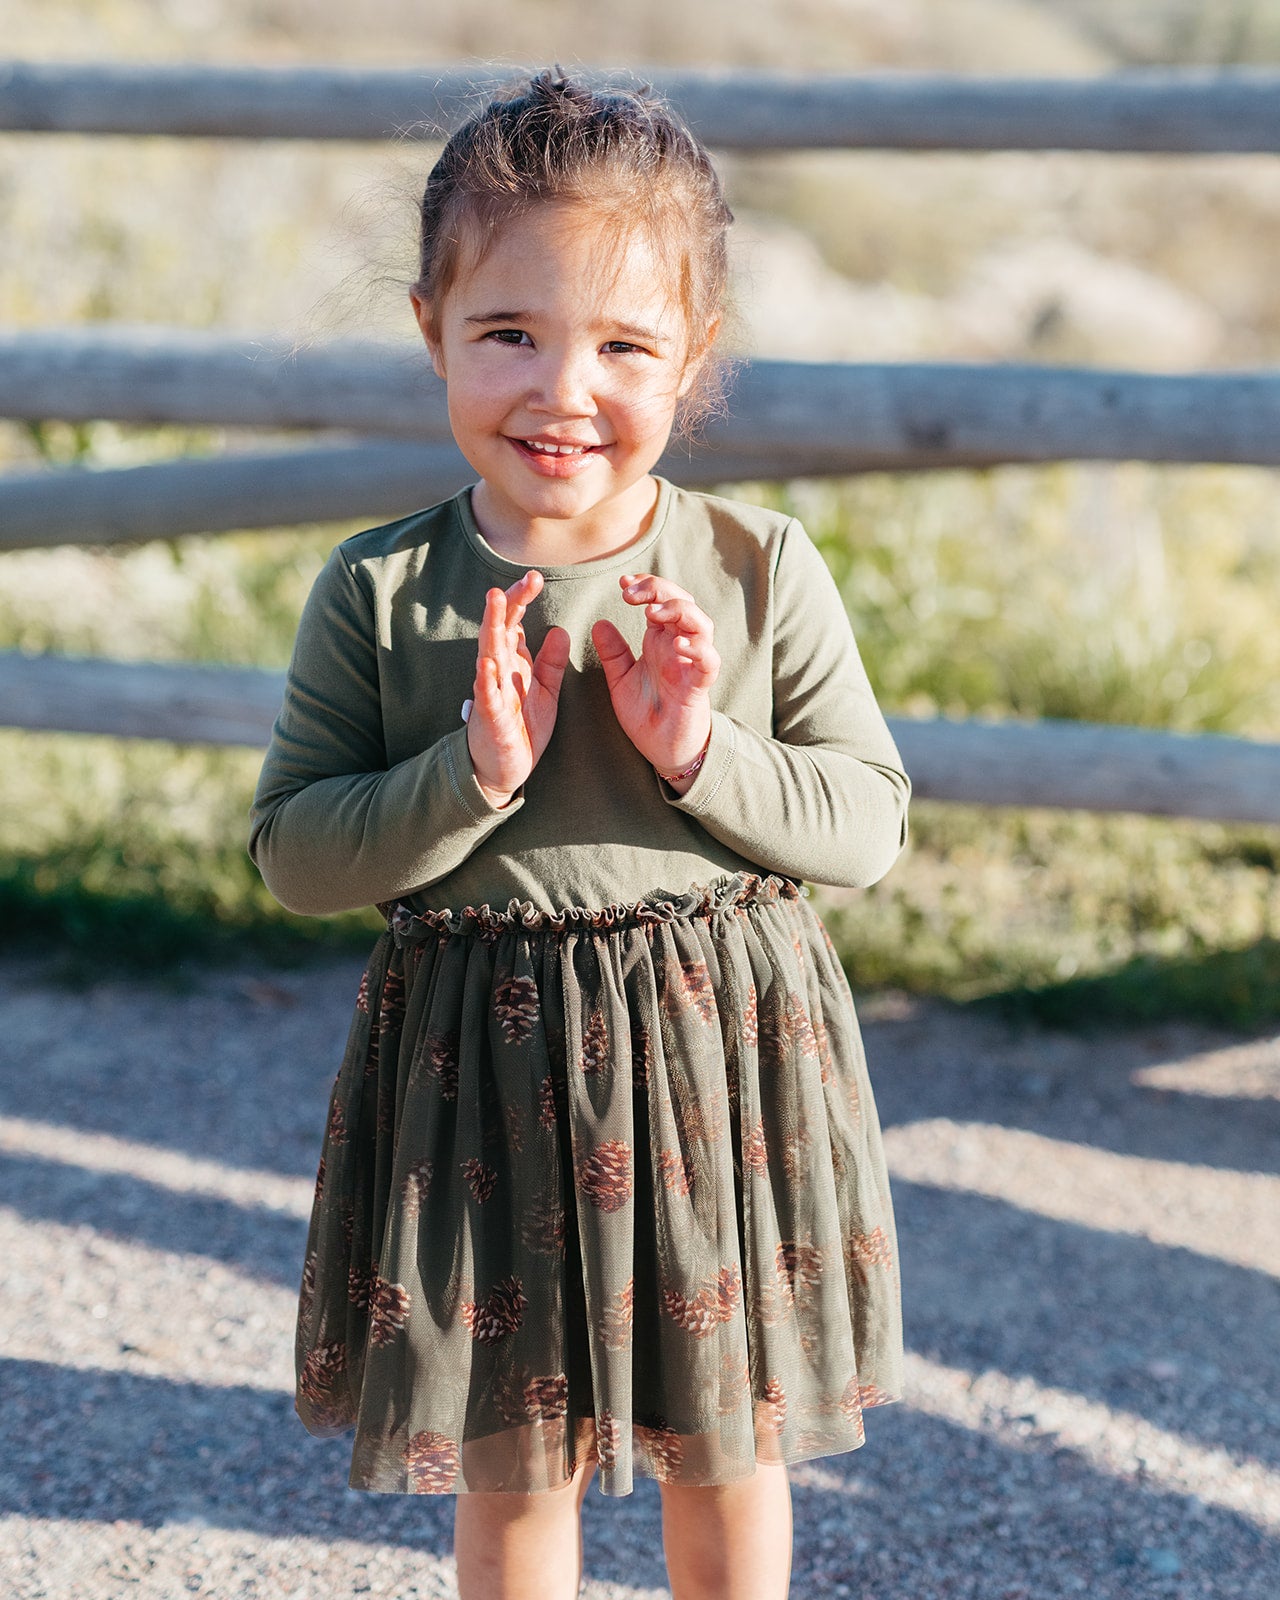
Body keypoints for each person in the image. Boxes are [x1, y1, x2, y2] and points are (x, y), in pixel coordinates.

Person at [248, 68, 910, 1600]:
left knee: (724, 1458)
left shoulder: (758, 568)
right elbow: (294, 853)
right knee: (513, 1470)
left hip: (715, 1071)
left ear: (695, 359)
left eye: (623, 344)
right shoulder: (379, 590)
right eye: (509, 334)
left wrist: (699, 752)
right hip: (479, 1070)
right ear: (432, 329)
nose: (564, 389)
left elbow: (864, 823)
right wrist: (465, 779)